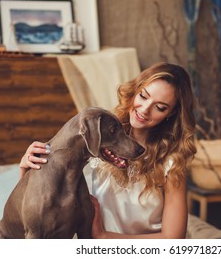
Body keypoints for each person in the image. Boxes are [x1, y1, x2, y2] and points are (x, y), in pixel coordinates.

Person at [19, 62, 197, 239]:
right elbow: (45, 199)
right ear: (135, 91)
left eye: (159, 107)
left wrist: (105, 237)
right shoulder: (99, 135)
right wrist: (26, 167)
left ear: (171, 114)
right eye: (143, 96)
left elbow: (173, 238)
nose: (144, 109)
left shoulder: (171, 162)